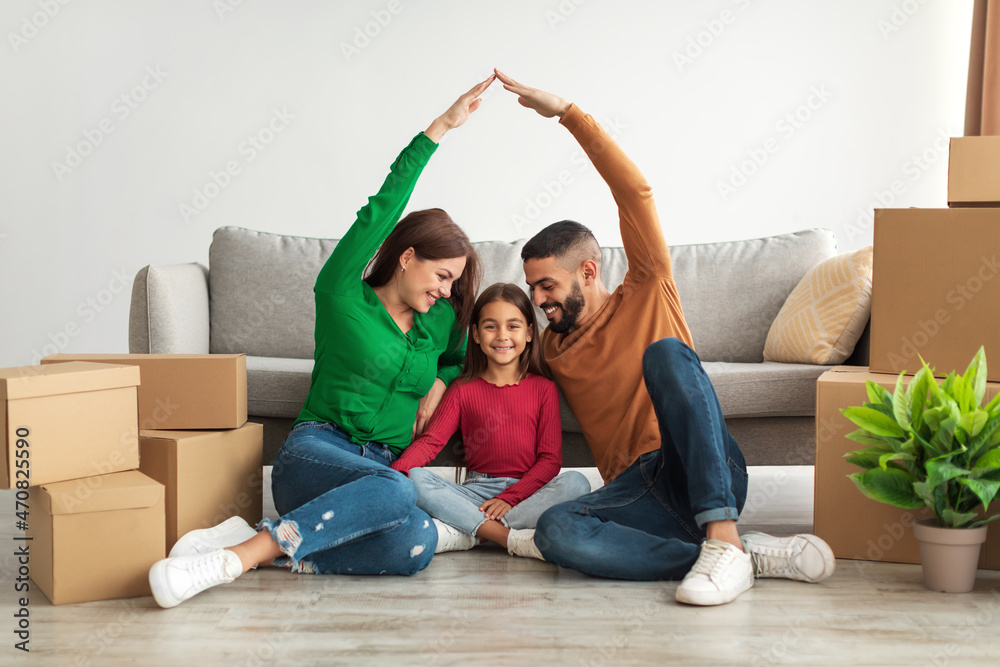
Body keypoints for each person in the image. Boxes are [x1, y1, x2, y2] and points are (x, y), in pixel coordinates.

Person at [148, 76, 494, 609]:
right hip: (317, 454)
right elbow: (380, 210)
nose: (446, 291)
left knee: (416, 545)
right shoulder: (343, 295)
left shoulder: (440, 320)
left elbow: (456, 360)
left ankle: (254, 543)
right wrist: (440, 129)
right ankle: (234, 559)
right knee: (401, 492)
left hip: (381, 469)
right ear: (406, 258)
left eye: (453, 283)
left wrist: (441, 383)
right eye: (441, 276)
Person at [494, 68, 836, 606]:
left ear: (588, 271)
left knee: (668, 354)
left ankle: (721, 535)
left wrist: (568, 114)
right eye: (532, 288)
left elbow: (635, 192)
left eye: (547, 286)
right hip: (638, 491)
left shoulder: (648, 287)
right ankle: (731, 553)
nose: (537, 300)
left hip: (703, 464)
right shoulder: (548, 347)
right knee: (556, 530)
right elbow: (488, 360)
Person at [391, 283, 592, 559]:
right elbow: (430, 442)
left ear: (530, 333)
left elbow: (549, 461)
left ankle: (472, 532)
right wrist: (395, 472)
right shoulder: (462, 389)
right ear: (475, 334)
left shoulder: (543, 389)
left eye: (513, 326)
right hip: (476, 493)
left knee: (577, 483)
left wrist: (510, 497)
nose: (502, 336)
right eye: (490, 326)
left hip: (527, 492)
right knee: (414, 477)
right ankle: (506, 537)